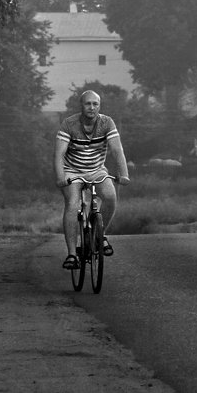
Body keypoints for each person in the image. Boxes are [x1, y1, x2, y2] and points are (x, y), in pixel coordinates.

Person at [54, 90, 130, 269]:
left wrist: (124, 174)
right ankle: (72, 255)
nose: (92, 107)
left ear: (99, 106)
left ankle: (99, 235)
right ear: (81, 106)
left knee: (110, 197)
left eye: (95, 104)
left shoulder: (106, 122)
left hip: (97, 170)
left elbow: (117, 150)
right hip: (71, 170)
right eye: (88, 104)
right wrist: (60, 178)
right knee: (72, 204)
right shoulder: (69, 124)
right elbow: (58, 154)